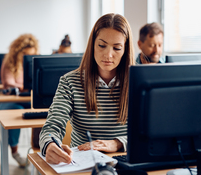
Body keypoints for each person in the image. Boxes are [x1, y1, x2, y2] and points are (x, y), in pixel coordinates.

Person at [39, 13, 135, 164]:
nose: (108, 55)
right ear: (92, 45)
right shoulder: (69, 82)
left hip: (127, 163)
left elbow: (151, 136)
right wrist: (50, 144)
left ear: (125, 50)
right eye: (102, 45)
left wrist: (116, 143)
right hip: (83, 165)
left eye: (117, 48)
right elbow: (52, 125)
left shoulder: (138, 83)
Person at [0, 33, 39, 167]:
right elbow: (9, 83)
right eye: (25, 54)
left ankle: (41, 149)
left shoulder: (35, 62)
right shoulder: (9, 61)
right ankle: (15, 152)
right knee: (16, 111)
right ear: (18, 51)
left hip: (29, 99)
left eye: (30, 55)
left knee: (44, 113)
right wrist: (23, 87)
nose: (27, 58)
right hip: (11, 100)